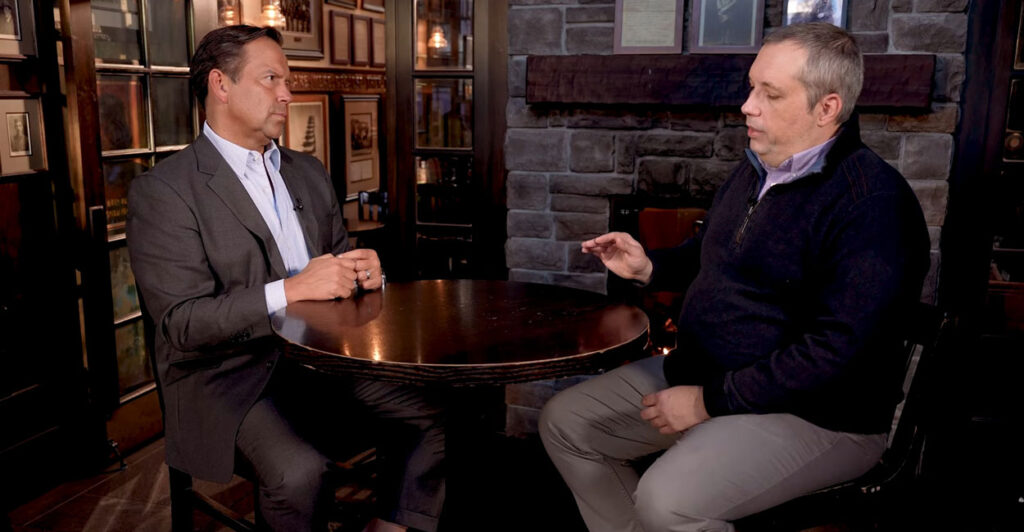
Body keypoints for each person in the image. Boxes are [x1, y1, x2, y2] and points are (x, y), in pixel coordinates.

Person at [539, 22, 930, 532]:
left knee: (666, 501)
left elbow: (836, 353)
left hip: (820, 416)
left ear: (827, 108)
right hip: (708, 374)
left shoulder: (872, 205)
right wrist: (650, 266)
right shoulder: (758, 168)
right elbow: (713, 253)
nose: (748, 105)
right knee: (567, 424)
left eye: (770, 93)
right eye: (752, 86)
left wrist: (707, 402)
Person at [127, 25, 444, 532]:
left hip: (320, 364)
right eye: (271, 78)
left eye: (288, 80)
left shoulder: (308, 171)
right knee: (298, 473)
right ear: (220, 85)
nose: (287, 93)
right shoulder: (164, 192)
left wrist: (364, 273)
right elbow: (183, 325)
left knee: (429, 416)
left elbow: (337, 263)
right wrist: (292, 288)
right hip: (227, 381)